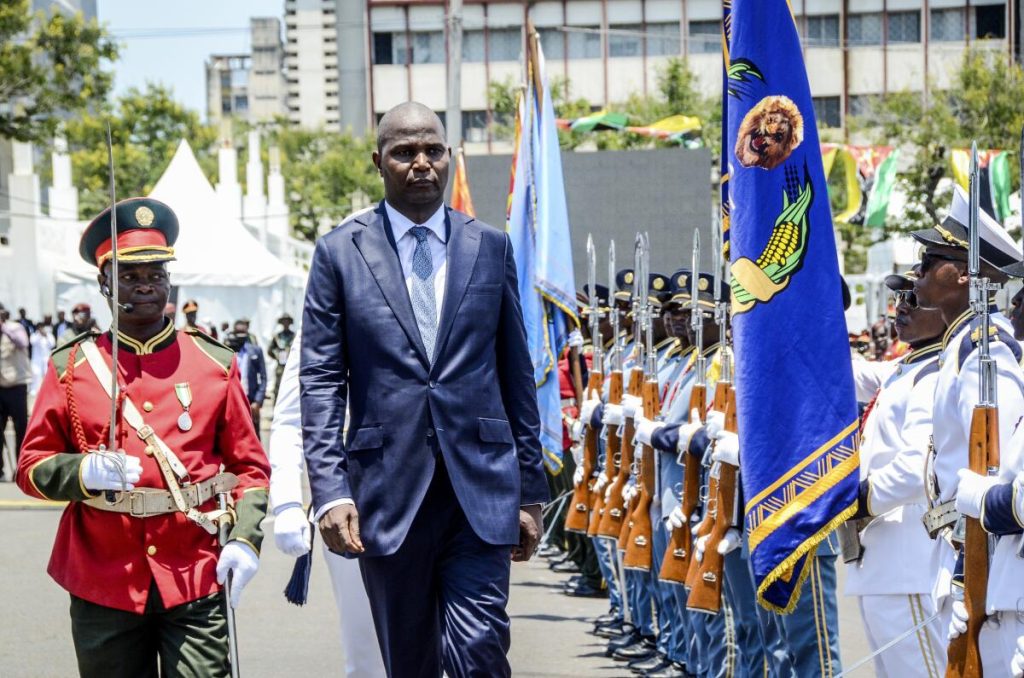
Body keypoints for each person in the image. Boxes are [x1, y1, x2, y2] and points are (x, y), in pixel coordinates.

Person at [300, 101, 547, 677]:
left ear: (449, 156)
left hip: (480, 492)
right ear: (378, 162)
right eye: (404, 152)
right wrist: (331, 491)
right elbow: (320, 380)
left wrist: (531, 490)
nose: (421, 163)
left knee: (480, 653)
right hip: (388, 495)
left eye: (433, 150)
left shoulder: (489, 246)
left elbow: (516, 375)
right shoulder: (339, 253)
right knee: (409, 662)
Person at [15, 197, 270, 677]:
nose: (145, 286)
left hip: (194, 570)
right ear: (103, 283)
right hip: (103, 578)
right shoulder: (71, 367)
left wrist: (245, 540)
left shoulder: (214, 364)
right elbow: (30, 467)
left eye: (155, 275)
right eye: (129, 277)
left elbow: (249, 468)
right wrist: (80, 472)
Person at [911, 186, 1024, 674]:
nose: (917, 273)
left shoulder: (986, 349)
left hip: (983, 555)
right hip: (960, 549)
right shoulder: (959, 346)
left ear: (963, 274)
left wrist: (971, 572)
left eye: (929, 261)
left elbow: (997, 465)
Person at [844, 271, 948, 677]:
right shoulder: (908, 368)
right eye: (899, 298)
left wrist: (851, 500)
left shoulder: (935, 372)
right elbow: (848, 374)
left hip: (907, 563)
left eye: (914, 299)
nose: (901, 307)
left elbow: (915, 469)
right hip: (884, 564)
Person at [269, 328, 387, 677]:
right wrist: (288, 501)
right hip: (357, 506)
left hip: (444, 501)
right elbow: (292, 418)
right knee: (369, 657)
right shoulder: (330, 310)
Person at [0, 303, 31, 480]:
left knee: (21, 429)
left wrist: (3, 328)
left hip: (17, 387)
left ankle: (21, 468)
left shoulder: (15, 328)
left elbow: (23, 342)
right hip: (0, 388)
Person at [226, 320, 267, 434]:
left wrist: (258, 401)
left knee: (254, 434)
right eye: (237, 333)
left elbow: (263, 377)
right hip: (233, 400)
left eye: (243, 333)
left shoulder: (256, 351)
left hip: (251, 401)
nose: (240, 336)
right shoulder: (227, 351)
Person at [268, 313, 296, 402]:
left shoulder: (294, 336)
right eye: (284, 321)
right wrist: (277, 356)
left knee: (293, 387)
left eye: (287, 321)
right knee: (278, 388)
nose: (285, 323)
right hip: (281, 366)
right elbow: (270, 350)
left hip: (292, 365)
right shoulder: (277, 336)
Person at [29, 319, 56, 396]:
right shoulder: (34, 335)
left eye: (42, 327)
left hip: (46, 358)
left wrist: (46, 336)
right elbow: (32, 342)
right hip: (36, 359)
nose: (41, 328)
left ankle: (49, 390)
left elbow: (52, 344)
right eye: (39, 327)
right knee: (36, 374)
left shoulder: (48, 335)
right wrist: (39, 335)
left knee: (47, 374)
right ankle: (36, 390)